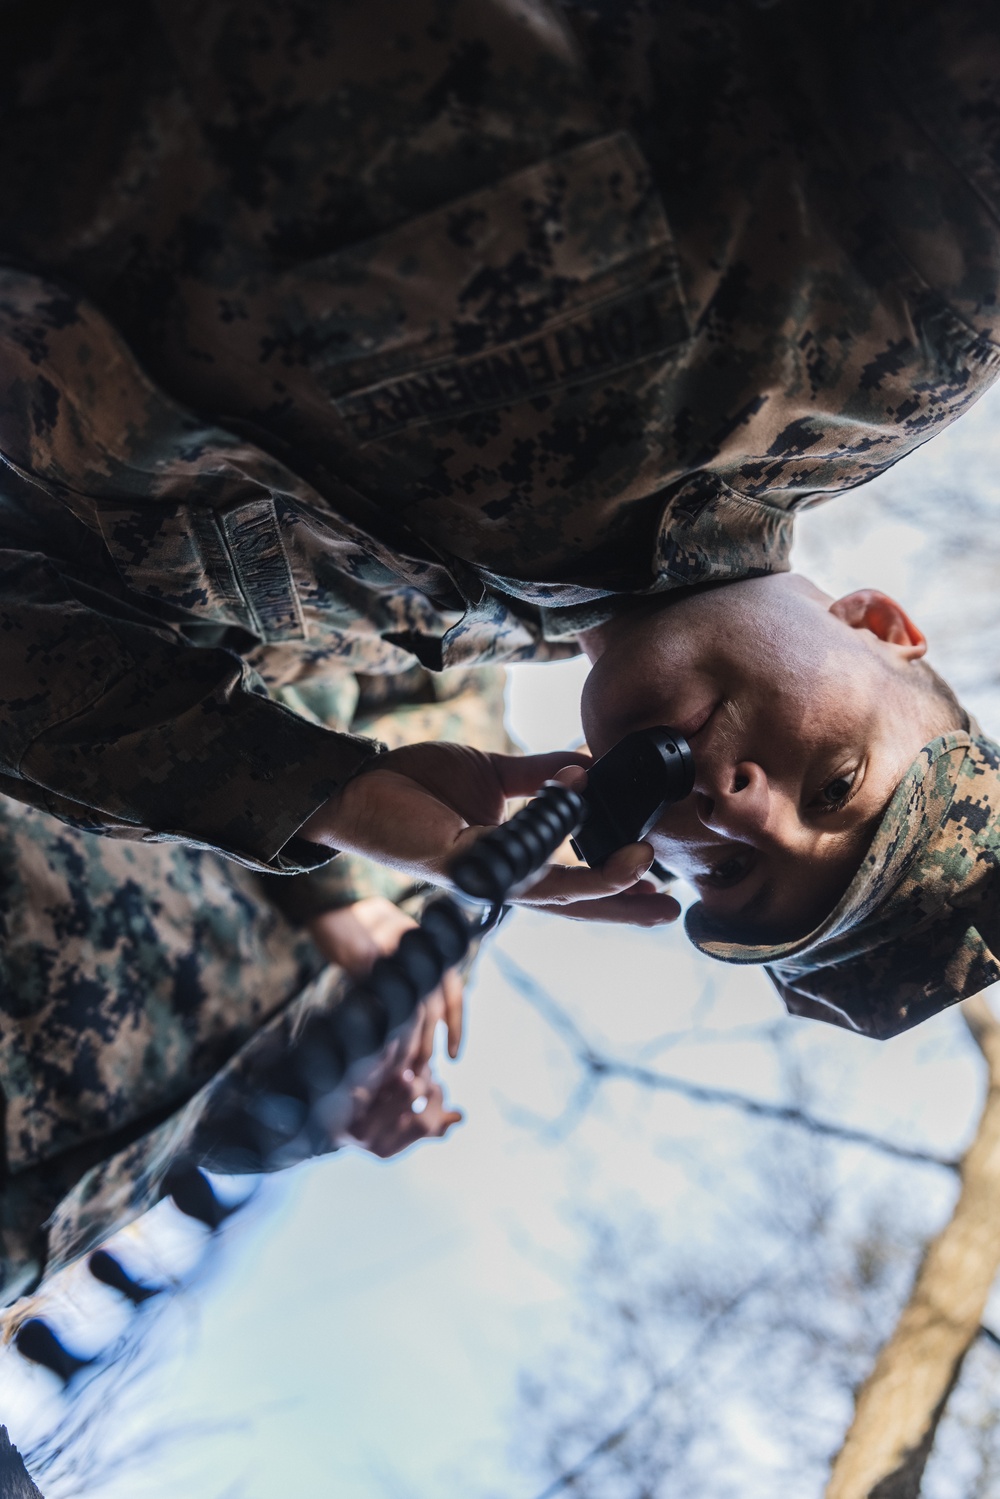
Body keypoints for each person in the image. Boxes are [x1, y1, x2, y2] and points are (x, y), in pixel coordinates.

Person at [1, 0, 1000, 1041]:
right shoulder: (914, 309)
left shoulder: (324, 633)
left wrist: (331, 793)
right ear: (879, 626)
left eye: (735, 869)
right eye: (835, 785)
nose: (742, 806)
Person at [0, 664, 510, 1309]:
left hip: (54, 1181)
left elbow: (221, 1140)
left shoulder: (460, 956)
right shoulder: (470, 677)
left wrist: (333, 1120)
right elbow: (268, 659)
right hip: (43, 908)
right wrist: (334, 891)